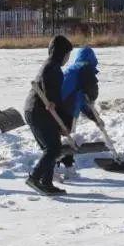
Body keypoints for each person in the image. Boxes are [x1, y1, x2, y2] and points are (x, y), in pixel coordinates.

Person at [24, 35, 75, 195]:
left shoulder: (51, 65)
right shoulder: (52, 68)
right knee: (53, 149)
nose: (68, 58)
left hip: (35, 110)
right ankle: (35, 178)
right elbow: (52, 94)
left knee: (52, 148)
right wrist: (52, 101)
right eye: (67, 54)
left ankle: (46, 182)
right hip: (40, 111)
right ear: (61, 53)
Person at [56, 46, 102, 180]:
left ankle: (67, 167)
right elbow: (89, 96)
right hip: (67, 110)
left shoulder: (73, 70)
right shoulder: (85, 69)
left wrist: (94, 117)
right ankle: (56, 167)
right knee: (62, 142)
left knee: (62, 140)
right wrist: (93, 112)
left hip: (59, 108)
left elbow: (81, 97)